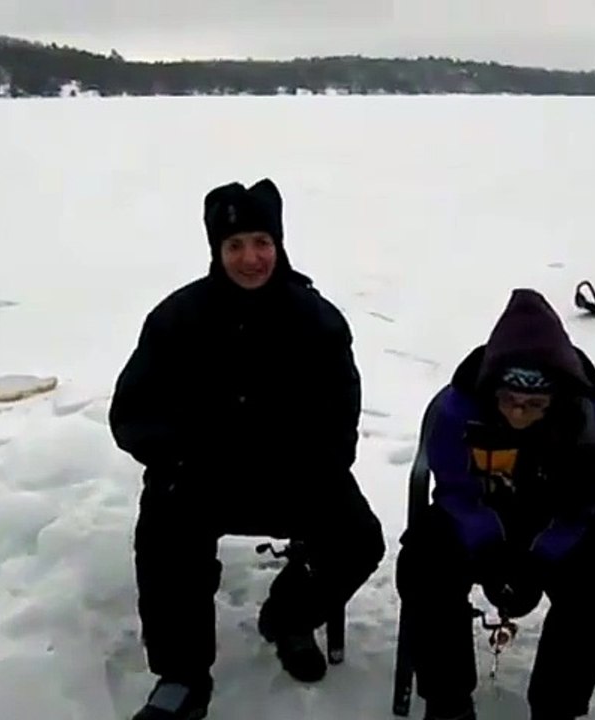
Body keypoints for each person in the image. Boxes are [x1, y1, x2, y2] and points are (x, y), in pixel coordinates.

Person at [109, 177, 385, 720]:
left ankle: (290, 616)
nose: (250, 258)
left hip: (291, 477)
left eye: (262, 242)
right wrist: (181, 456)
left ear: (278, 244)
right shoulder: (177, 318)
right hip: (199, 476)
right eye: (234, 245)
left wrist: (316, 468)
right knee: (165, 536)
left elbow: (341, 418)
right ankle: (182, 674)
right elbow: (132, 414)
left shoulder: (318, 321)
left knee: (357, 540)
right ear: (217, 250)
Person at [395, 288, 595, 720]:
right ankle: (448, 701)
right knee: (423, 561)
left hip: (562, 524)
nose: (519, 414)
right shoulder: (460, 406)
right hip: (479, 516)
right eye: (509, 401)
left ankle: (555, 707)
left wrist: (544, 554)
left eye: (534, 405)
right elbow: (453, 487)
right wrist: (485, 541)